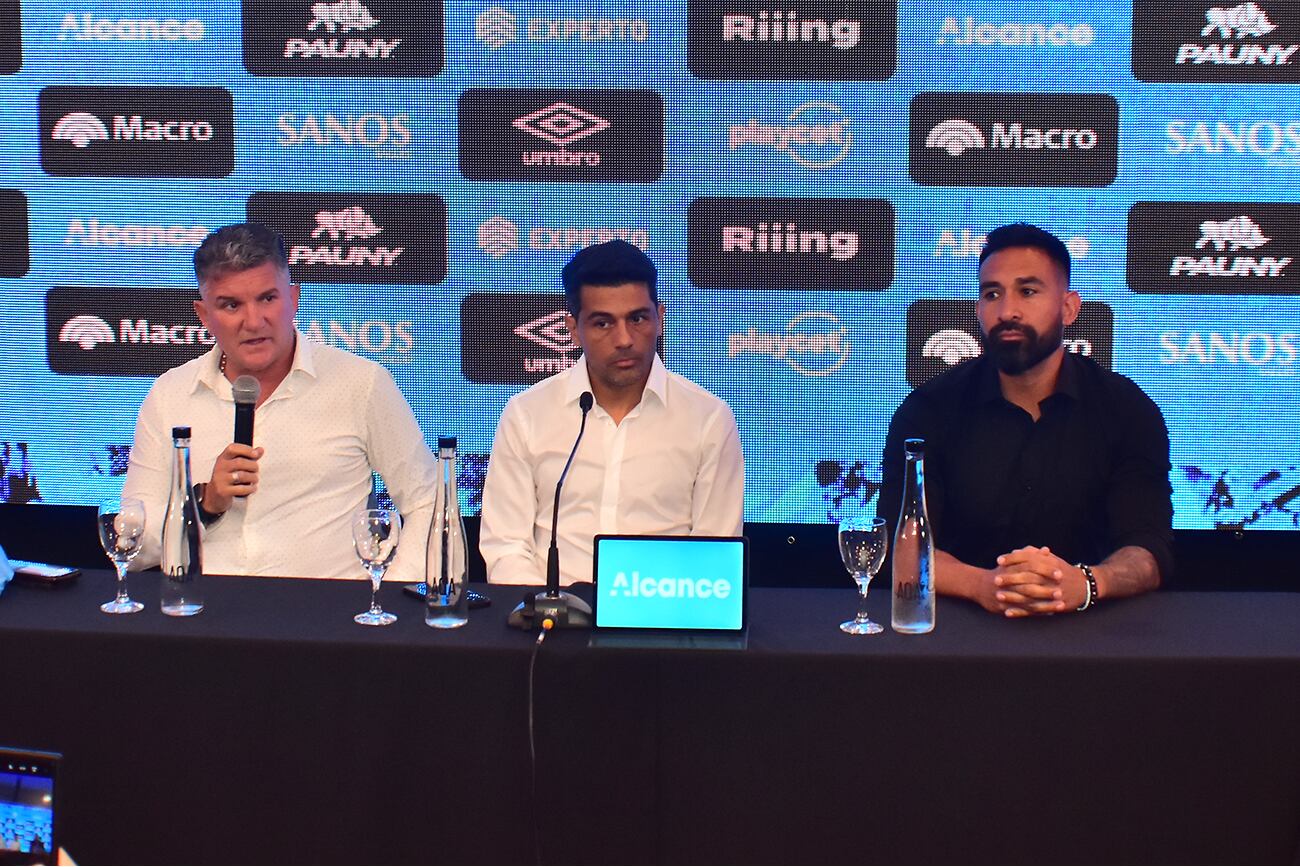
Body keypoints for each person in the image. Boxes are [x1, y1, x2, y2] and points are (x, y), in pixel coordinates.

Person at [878, 223, 1173, 617]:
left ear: (1069, 307)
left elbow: (1149, 551)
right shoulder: (928, 411)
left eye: (1028, 291)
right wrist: (984, 586)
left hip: (1098, 639)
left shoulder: (1126, 409)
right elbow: (901, 548)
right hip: (955, 636)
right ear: (979, 309)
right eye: (992, 293)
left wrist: (1084, 584)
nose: (1007, 311)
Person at [122, 223, 436, 580]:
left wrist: (389, 598)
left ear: (294, 299)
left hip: (329, 622)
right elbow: (133, 548)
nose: (254, 321)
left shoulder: (360, 384)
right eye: (231, 305)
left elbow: (427, 502)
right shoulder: (170, 395)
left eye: (268, 298)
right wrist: (205, 504)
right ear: (204, 316)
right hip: (202, 618)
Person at [480, 239, 745, 585]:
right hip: (550, 621)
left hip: (663, 621)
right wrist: (551, 608)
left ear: (660, 317)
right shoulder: (527, 413)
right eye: (603, 323)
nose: (624, 339)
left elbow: (715, 553)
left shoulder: (708, 419)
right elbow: (506, 547)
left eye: (637, 318)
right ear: (573, 330)